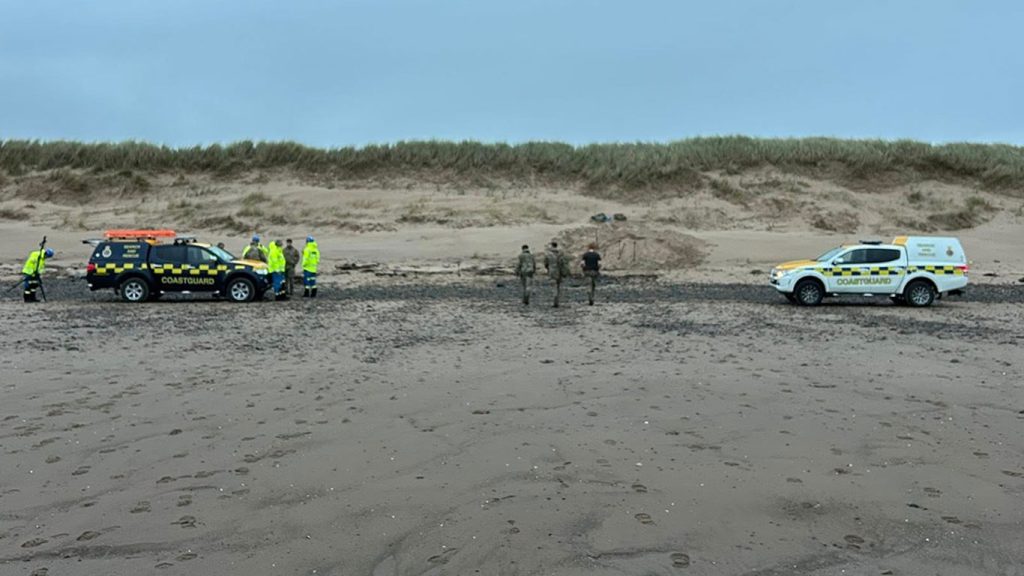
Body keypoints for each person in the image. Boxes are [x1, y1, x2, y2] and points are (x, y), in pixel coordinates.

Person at [543, 241, 570, 308]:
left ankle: (555, 300)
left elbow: (545, 263)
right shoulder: (561, 254)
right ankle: (557, 299)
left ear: (551, 246)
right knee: (558, 286)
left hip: (552, 271)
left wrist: (548, 268)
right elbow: (564, 262)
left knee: (554, 286)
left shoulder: (548, 254)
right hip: (559, 271)